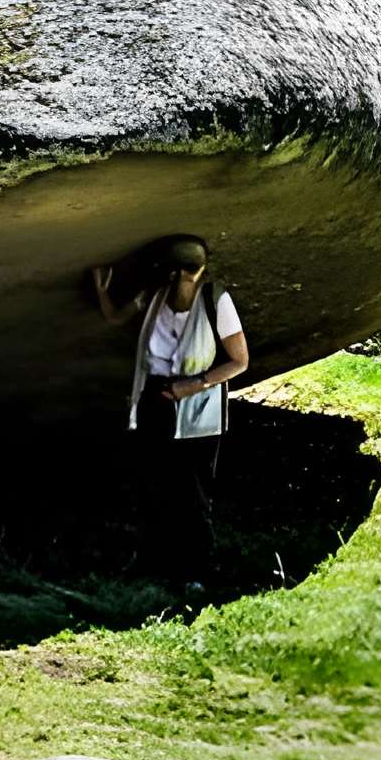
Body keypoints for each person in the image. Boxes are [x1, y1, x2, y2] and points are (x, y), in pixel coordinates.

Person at [89, 235, 248, 581]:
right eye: (184, 269)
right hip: (156, 397)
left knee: (192, 491)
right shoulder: (155, 294)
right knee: (152, 483)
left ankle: (198, 571)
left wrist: (194, 385)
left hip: (197, 406)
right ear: (172, 271)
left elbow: (239, 361)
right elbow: (116, 318)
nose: (188, 276)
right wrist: (103, 291)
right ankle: (154, 563)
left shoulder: (216, 299)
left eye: (194, 269)